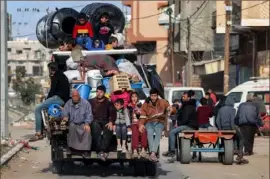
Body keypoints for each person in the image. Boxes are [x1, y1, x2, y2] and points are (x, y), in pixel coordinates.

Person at [30, 62, 70, 142]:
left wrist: (47, 99)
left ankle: (38, 133)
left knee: (38, 108)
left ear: (51, 69)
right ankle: (44, 129)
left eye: (49, 69)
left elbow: (52, 91)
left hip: (58, 98)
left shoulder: (55, 76)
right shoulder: (63, 76)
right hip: (64, 99)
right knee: (44, 107)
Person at [139, 88, 170, 162]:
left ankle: (152, 153)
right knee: (149, 132)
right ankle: (153, 153)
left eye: (155, 96)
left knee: (158, 132)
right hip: (149, 121)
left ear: (157, 96)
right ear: (150, 96)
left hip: (160, 121)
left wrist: (171, 109)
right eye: (152, 96)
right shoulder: (146, 104)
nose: (153, 98)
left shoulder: (163, 102)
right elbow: (143, 116)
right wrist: (141, 124)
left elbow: (171, 109)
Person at [216, 96, 249, 164]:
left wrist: (220, 129)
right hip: (229, 128)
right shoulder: (232, 109)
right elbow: (232, 121)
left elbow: (217, 121)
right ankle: (240, 155)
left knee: (223, 140)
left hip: (222, 129)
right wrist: (233, 130)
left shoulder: (221, 109)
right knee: (241, 138)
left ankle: (222, 156)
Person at [62, 90, 93, 157]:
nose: (75, 97)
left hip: (83, 123)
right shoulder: (68, 103)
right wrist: (65, 117)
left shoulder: (86, 103)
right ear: (71, 97)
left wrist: (87, 123)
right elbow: (65, 113)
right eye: (73, 96)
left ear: (79, 96)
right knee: (71, 127)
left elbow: (89, 115)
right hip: (73, 123)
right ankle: (71, 148)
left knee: (87, 130)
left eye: (76, 96)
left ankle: (85, 151)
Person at [167, 93, 198, 161]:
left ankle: (172, 151)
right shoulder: (191, 105)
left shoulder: (187, 106)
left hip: (189, 126)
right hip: (191, 125)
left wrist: (180, 124)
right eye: (182, 96)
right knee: (174, 131)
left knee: (172, 132)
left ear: (188, 98)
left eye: (184, 97)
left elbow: (185, 118)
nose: (182, 98)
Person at [89, 85, 116, 161]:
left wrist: (111, 122)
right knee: (95, 127)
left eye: (101, 92)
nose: (99, 93)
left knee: (108, 128)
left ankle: (103, 150)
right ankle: (99, 150)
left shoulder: (108, 102)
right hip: (95, 120)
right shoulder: (91, 101)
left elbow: (112, 113)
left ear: (104, 93)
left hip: (105, 121)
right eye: (97, 91)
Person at [127, 92, 147, 159]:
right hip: (133, 123)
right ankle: (135, 150)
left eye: (135, 96)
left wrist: (138, 110)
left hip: (141, 122)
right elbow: (127, 117)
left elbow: (143, 115)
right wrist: (128, 126)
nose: (134, 98)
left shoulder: (141, 105)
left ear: (137, 97)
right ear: (130, 98)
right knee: (135, 132)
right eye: (132, 97)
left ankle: (143, 149)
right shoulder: (129, 106)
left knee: (143, 130)